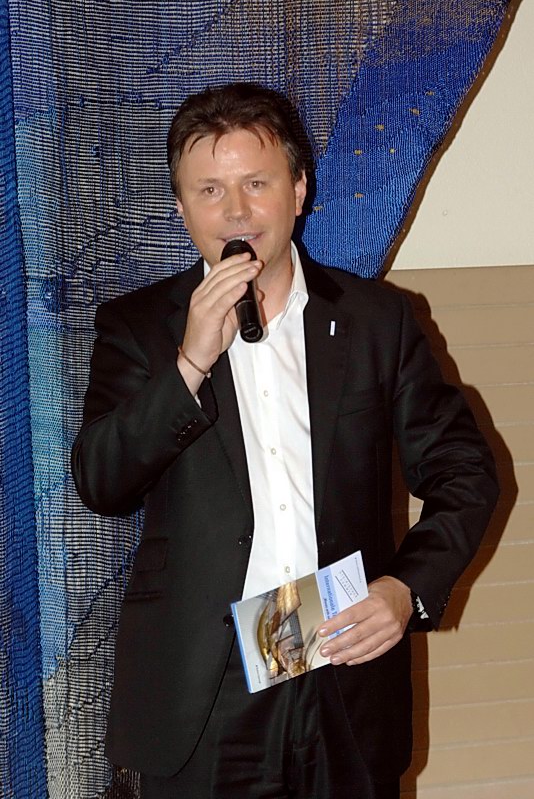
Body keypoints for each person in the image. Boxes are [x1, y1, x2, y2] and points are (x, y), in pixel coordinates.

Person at [72, 83, 499, 798]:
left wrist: (406, 590)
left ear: (299, 191)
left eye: (257, 183)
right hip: (205, 692)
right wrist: (190, 362)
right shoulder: (139, 327)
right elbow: (101, 484)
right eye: (210, 190)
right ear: (181, 209)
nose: (236, 212)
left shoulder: (376, 319)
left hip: (343, 663)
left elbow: (465, 471)